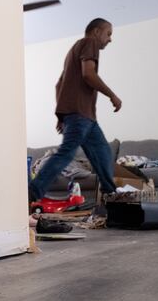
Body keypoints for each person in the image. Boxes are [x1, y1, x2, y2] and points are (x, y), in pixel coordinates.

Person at [29, 18, 122, 204]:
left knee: (103, 152)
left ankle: (111, 197)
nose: (110, 39)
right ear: (96, 32)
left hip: (84, 116)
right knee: (67, 153)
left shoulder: (74, 49)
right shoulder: (90, 43)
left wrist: (62, 114)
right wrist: (112, 95)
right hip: (80, 114)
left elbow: (59, 85)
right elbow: (89, 73)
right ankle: (32, 193)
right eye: (108, 33)